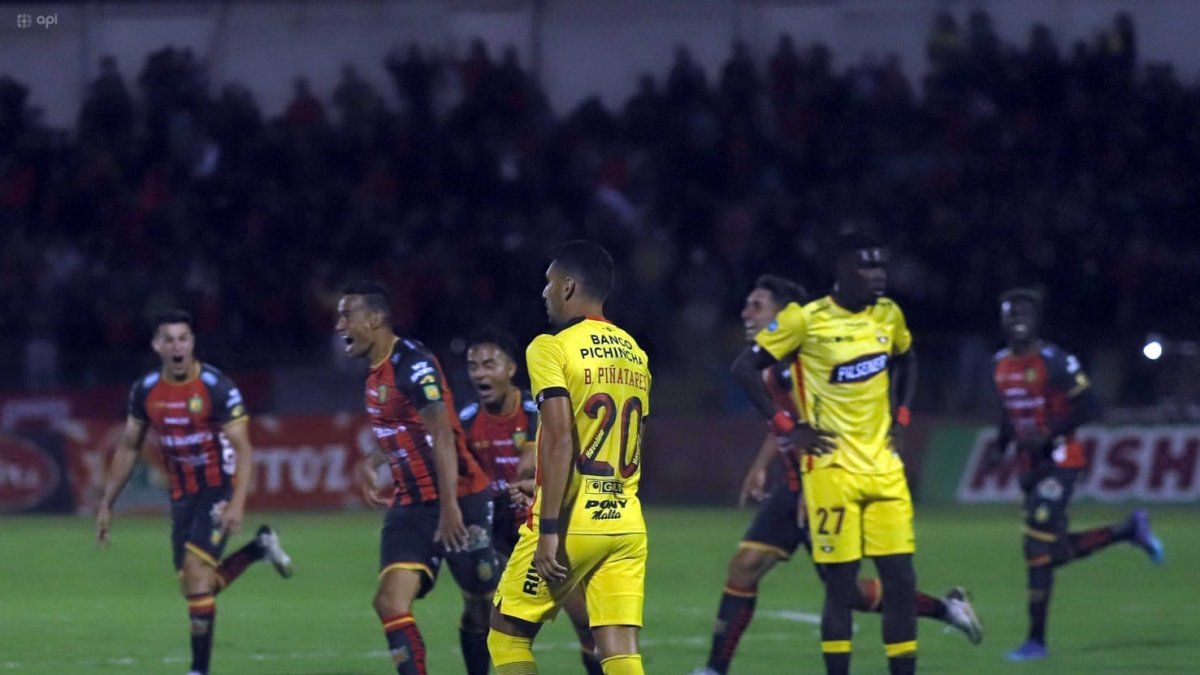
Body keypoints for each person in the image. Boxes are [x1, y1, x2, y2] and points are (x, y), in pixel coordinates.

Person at [693, 275, 981, 675]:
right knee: (745, 566)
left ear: (783, 315)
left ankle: (947, 608)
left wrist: (812, 488)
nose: (746, 314)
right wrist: (761, 466)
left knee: (849, 593)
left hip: (822, 485)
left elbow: (819, 428)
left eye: (756, 306)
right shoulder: (773, 364)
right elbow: (788, 426)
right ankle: (714, 669)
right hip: (793, 488)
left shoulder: (800, 359)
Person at [731, 232, 919, 675]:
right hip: (831, 472)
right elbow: (745, 369)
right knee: (840, 586)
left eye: (881, 265)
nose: (878, 275)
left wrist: (902, 417)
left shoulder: (889, 314)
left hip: (884, 468)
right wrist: (788, 427)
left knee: (900, 581)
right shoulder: (805, 320)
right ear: (842, 271)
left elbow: (908, 358)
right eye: (867, 266)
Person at [95, 309, 293, 675]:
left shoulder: (217, 387)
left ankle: (199, 670)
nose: (177, 346)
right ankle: (259, 548)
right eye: (169, 340)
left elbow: (244, 448)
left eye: (183, 339)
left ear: (192, 343)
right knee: (196, 585)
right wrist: (107, 502)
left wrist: (236, 503)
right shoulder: (146, 391)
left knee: (196, 574)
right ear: (157, 346)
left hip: (217, 485)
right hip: (182, 493)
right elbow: (129, 447)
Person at [488, 240, 651, 675]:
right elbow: (618, 442)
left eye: (548, 283)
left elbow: (560, 439)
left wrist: (548, 529)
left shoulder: (551, 347)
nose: (544, 293)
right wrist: (542, 482)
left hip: (571, 523)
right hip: (624, 521)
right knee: (618, 648)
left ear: (568, 287)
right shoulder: (635, 353)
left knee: (506, 634)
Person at [990, 288, 1164, 662]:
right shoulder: (1000, 364)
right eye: (1011, 312)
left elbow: (1090, 406)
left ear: (1037, 320)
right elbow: (1008, 413)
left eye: (1025, 312)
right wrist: (1000, 446)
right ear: (1002, 320)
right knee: (1054, 551)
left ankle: (1036, 641)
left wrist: (1049, 434)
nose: (1018, 318)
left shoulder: (1055, 361)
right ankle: (1127, 530)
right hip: (1029, 467)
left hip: (1062, 460)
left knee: (1035, 544)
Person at [336, 281, 500, 675]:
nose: (339, 325)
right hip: (411, 503)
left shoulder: (414, 364)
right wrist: (372, 461)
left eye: (347, 315)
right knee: (389, 602)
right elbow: (407, 429)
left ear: (375, 318)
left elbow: (441, 432)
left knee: (480, 607)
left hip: (460, 496)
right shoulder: (375, 375)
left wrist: (450, 507)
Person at [459, 328, 605, 675]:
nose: (479, 373)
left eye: (489, 364)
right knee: (480, 613)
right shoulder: (466, 420)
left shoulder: (537, 410)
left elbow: (540, 453)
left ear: (511, 369)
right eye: (473, 366)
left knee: (585, 619)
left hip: (542, 527)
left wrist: (525, 479)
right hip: (493, 532)